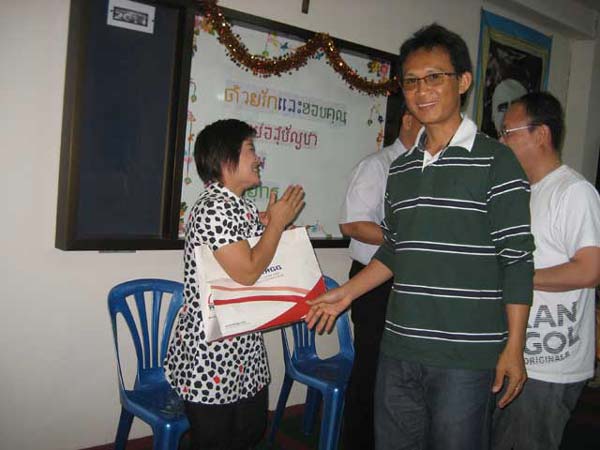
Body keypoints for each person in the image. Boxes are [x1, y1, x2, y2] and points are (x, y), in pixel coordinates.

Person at [306, 23, 535, 450]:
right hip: (398, 347)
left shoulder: (498, 162)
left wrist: (515, 346)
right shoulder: (402, 169)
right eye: (411, 81)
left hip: (466, 357)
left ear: (463, 82)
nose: (421, 90)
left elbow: (518, 260)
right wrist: (346, 294)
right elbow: (396, 248)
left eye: (434, 77)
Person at [164, 119, 304, 450]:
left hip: (243, 340)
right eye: (250, 149)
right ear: (226, 158)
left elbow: (259, 260)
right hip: (212, 351)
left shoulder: (239, 206)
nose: (258, 159)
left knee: (250, 431)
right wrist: (276, 225)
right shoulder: (214, 208)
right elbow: (248, 271)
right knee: (215, 440)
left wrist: (270, 226)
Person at [492, 91, 600, 450]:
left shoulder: (574, 192)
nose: (501, 141)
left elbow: (589, 270)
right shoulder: (523, 191)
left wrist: (518, 277)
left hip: (550, 363)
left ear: (541, 134)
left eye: (508, 132)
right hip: (515, 352)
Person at [339, 103, 421, 450]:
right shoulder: (378, 165)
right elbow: (352, 224)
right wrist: (406, 238)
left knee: (401, 376)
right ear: (407, 120)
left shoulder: (429, 168)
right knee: (370, 371)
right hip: (375, 285)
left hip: (411, 282)